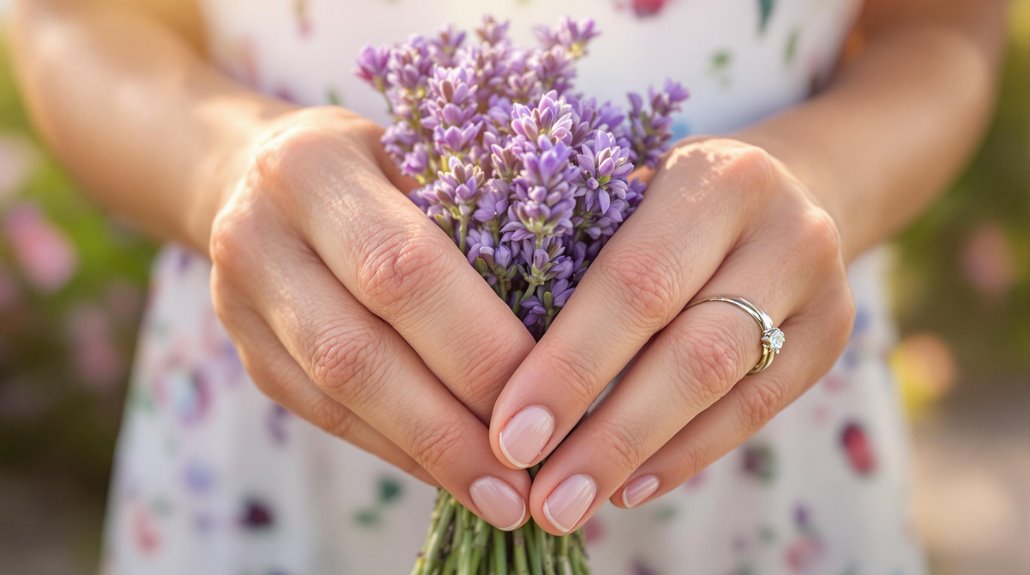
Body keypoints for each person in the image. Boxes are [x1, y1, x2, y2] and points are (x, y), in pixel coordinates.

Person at [12, 0, 1005, 573]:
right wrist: (223, 164)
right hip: (282, 413)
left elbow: (943, 27)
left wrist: (819, 184)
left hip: (750, 427)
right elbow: (73, 17)